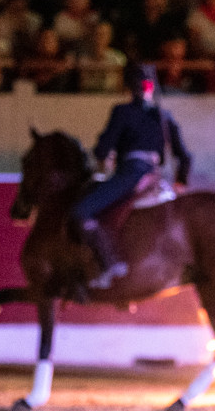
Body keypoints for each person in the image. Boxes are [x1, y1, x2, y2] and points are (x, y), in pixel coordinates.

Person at [77, 62, 192, 289]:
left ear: (129, 87)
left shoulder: (122, 111)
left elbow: (102, 149)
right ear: (150, 87)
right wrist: (181, 181)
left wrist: (104, 155)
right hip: (156, 177)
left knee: (81, 211)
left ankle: (109, 263)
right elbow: (185, 156)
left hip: (131, 173)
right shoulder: (164, 116)